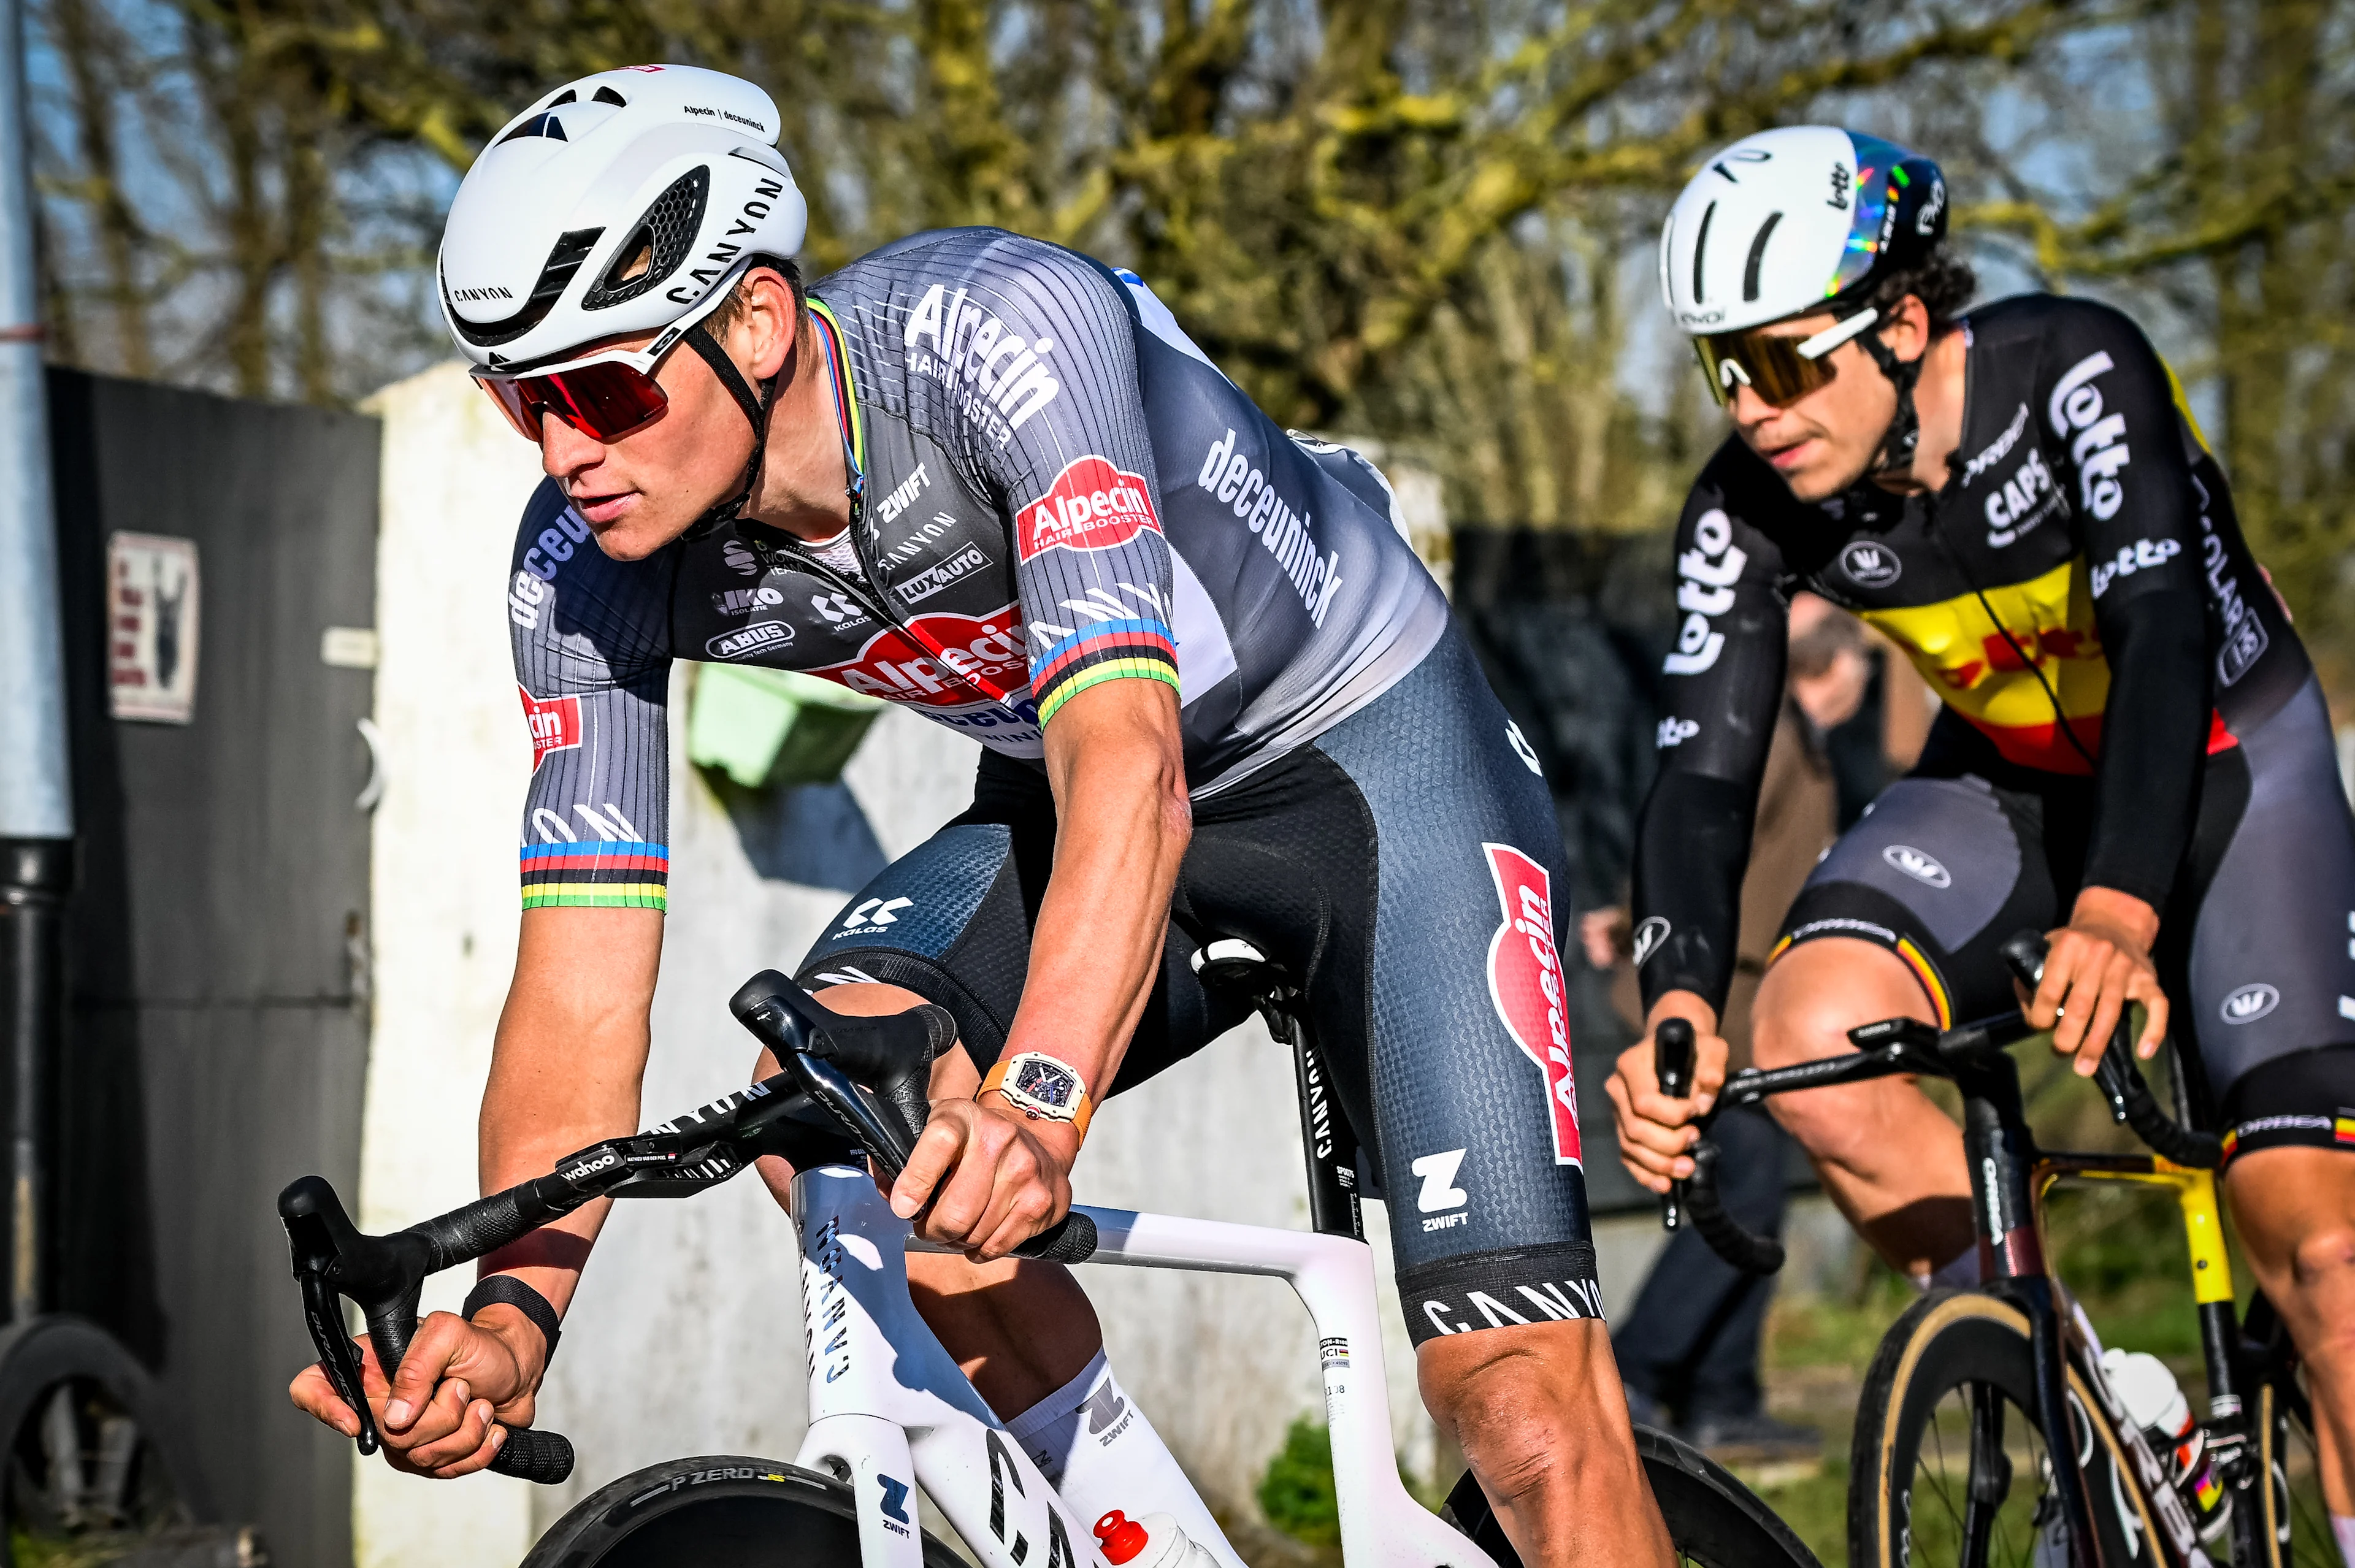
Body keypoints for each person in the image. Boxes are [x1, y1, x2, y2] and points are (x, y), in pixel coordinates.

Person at [288, 65, 1672, 1565]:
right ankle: (1150, 1538)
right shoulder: (581, 568)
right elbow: (577, 981)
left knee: (1521, 1411)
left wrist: (1040, 1101)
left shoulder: (997, 331)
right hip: (1074, 796)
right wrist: (506, 1322)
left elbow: (1126, 760)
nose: (565, 452)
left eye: (604, 389)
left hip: (1367, 760)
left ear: (753, 320)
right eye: (518, 400)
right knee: (837, 1086)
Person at [1604, 123, 2355, 1553]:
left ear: (1901, 323)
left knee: (2322, 1252)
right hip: (2014, 783)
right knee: (1812, 1041)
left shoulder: (2074, 367)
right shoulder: (1750, 505)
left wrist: (2125, 909)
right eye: (1722, 369)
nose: (1752, 408)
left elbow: (2162, 633)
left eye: (1780, 360)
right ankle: (2084, 1388)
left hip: (2227, 766)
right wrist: (1681, 999)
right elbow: (1702, 778)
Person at [1601, 595, 1922, 1461]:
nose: (1865, 681)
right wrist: (1638, 915)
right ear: (1833, 669)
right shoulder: (1774, 746)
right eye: (1862, 665)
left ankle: (1722, 1395)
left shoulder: (1803, 748)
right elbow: (1701, 846)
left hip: (1749, 1009)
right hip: (1716, 1010)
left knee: (1756, 1199)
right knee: (1737, 1196)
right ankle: (1637, 1370)